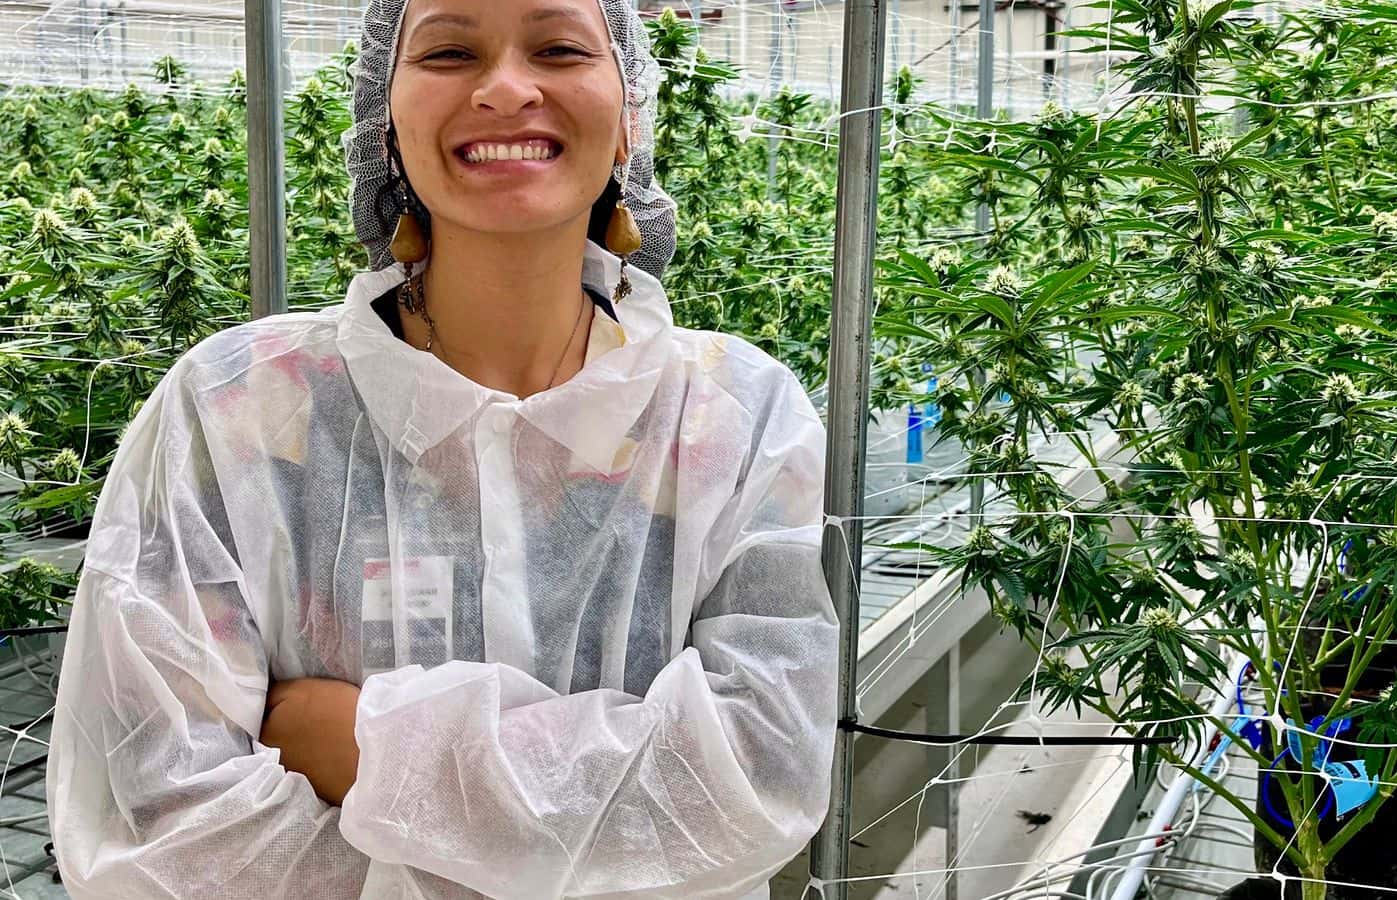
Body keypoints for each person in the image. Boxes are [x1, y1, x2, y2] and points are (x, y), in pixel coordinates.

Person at [44, 0, 839, 896]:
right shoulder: (235, 408)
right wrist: (593, 806)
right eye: (451, 50)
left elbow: (758, 773)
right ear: (386, 125)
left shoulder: (734, 414)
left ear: (630, 119)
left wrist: (371, 748)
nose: (505, 88)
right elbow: (164, 822)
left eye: (560, 47)